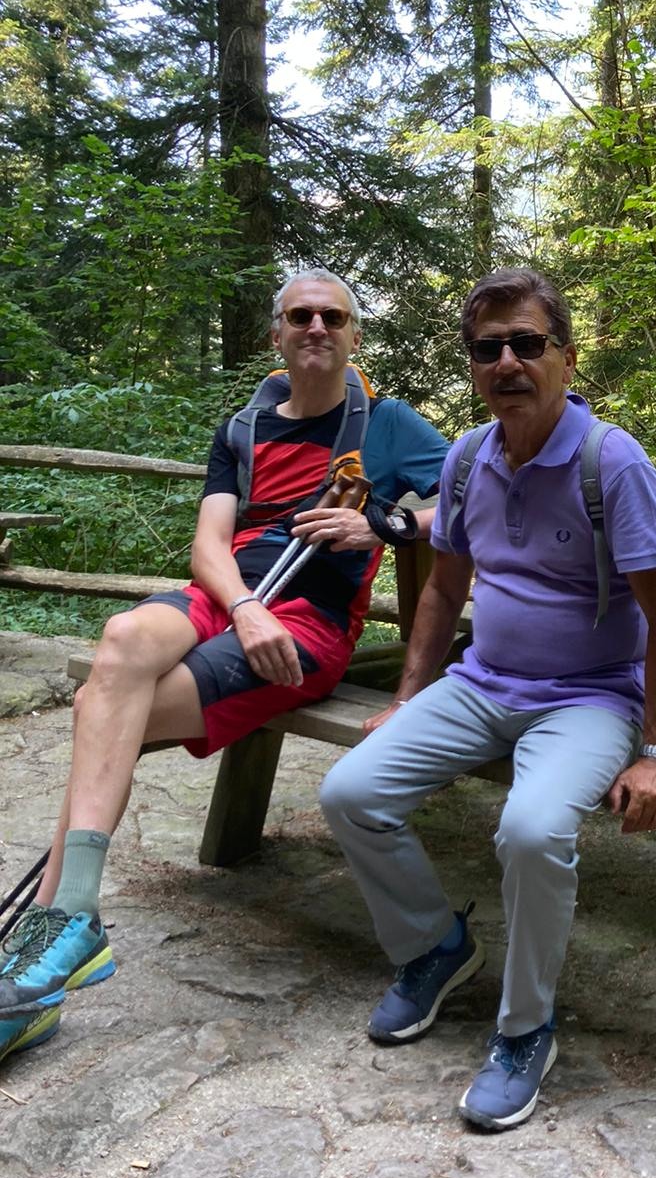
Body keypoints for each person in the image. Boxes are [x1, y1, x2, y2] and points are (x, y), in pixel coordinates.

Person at [0, 268, 449, 1060]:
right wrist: (242, 607)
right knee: (121, 641)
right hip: (235, 597)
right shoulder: (245, 427)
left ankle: (46, 946)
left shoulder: (387, 424)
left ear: (354, 334)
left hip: (309, 624)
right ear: (277, 333)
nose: (317, 327)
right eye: (300, 316)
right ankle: (68, 923)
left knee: (104, 714)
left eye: (333, 316)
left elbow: (480, 501)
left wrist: (388, 526)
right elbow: (209, 545)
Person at [320, 266, 656, 1131]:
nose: (508, 363)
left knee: (530, 830)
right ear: (474, 365)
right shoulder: (467, 458)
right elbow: (444, 589)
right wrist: (409, 695)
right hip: (480, 682)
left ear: (566, 356)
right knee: (351, 792)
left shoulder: (612, 462)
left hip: (589, 698)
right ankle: (435, 947)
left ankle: (524, 1029)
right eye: (489, 350)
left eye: (528, 343)